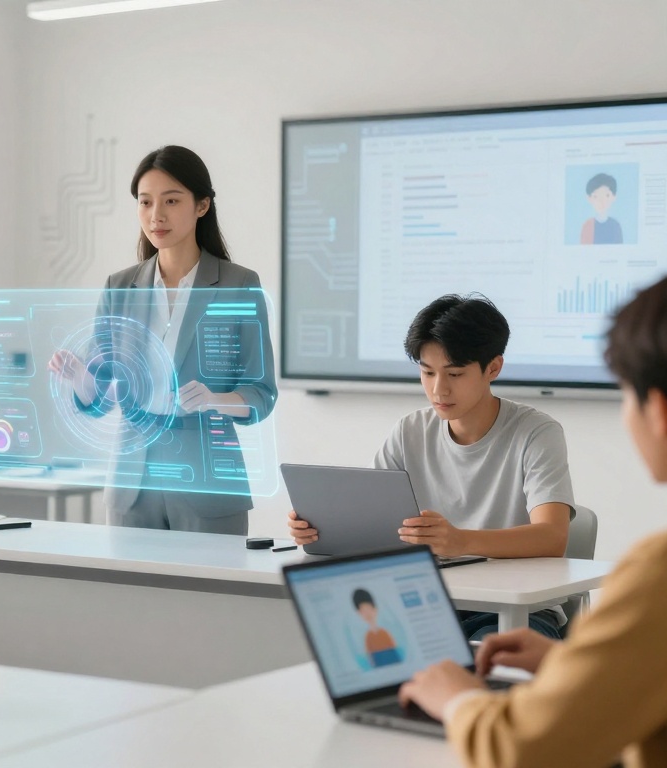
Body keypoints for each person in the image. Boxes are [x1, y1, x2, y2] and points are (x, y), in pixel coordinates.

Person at [399, 271, 667, 768]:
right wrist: (575, 668)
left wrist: (455, 695)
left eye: (626, 394)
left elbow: (518, 751)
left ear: (661, 411)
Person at [288, 295, 574, 639]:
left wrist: (460, 541)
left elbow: (552, 537)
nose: (439, 389)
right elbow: (367, 518)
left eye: (455, 373)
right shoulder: (410, 431)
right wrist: (320, 527)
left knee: (487, 667)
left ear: (493, 368)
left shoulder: (536, 433)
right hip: (425, 603)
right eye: (427, 372)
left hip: (515, 611)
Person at [49, 145, 277, 535]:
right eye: (145, 202)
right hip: (132, 484)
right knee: (130, 596)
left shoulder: (239, 285)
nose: (156, 215)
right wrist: (81, 381)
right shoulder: (119, 287)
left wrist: (213, 400)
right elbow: (101, 397)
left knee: (210, 595)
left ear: (202, 206)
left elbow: (261, 393)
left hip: (208, 482)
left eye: (171, 201)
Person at [352, 588, 402, 667]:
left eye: (368, 609)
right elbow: (371, 660)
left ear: (375, 609)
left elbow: (396, 655)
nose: (367, 613)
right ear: (359, 614)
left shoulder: (384, 633)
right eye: (363, 611)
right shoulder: (368, 637)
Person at [579, 172, 623, 245]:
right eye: (596, 196)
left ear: (614, 197)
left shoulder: (615, 226)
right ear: (589, 198)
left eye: (607, 195)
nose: (601, 201)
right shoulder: (588, 226)